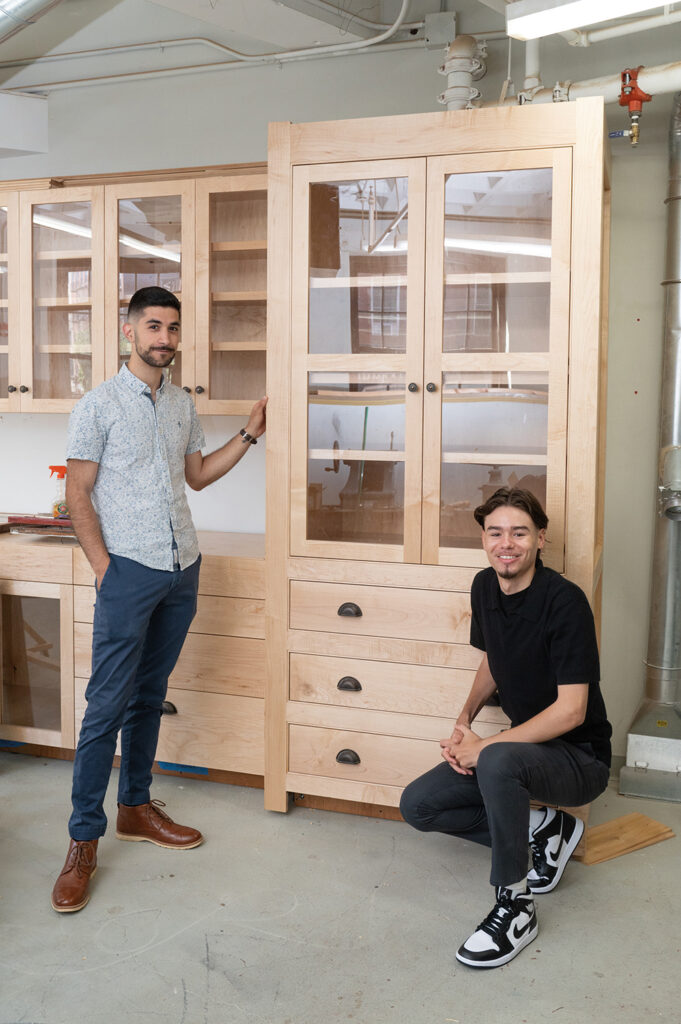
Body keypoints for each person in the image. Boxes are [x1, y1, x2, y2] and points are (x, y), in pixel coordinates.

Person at [51, 286, 267, 913]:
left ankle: (135, 808)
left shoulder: (181, 405)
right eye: (153, 326)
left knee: (150, 695)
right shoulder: (97, 406)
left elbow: (195, 476)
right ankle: (82, 841)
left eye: (172, 328)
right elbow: (79, 496)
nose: (164, 338)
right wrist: (102, 569)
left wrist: (249, 436)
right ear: (129, 332)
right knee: (104, 708)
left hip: (182, 569)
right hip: (128, 572)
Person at [400, 487, 612, 969]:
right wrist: (463, 723)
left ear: (540, 538)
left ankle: (516, 905)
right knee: (418, 806)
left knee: (495, 757)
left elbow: (572, 711)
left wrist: (486, 747)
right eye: (495, 532)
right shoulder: (484, 586)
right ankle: (546, 828)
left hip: (580, 759)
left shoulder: (565, 602)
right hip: (523, 753)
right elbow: (494, 657)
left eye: (519, 532)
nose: (506, 543)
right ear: (483, 539)